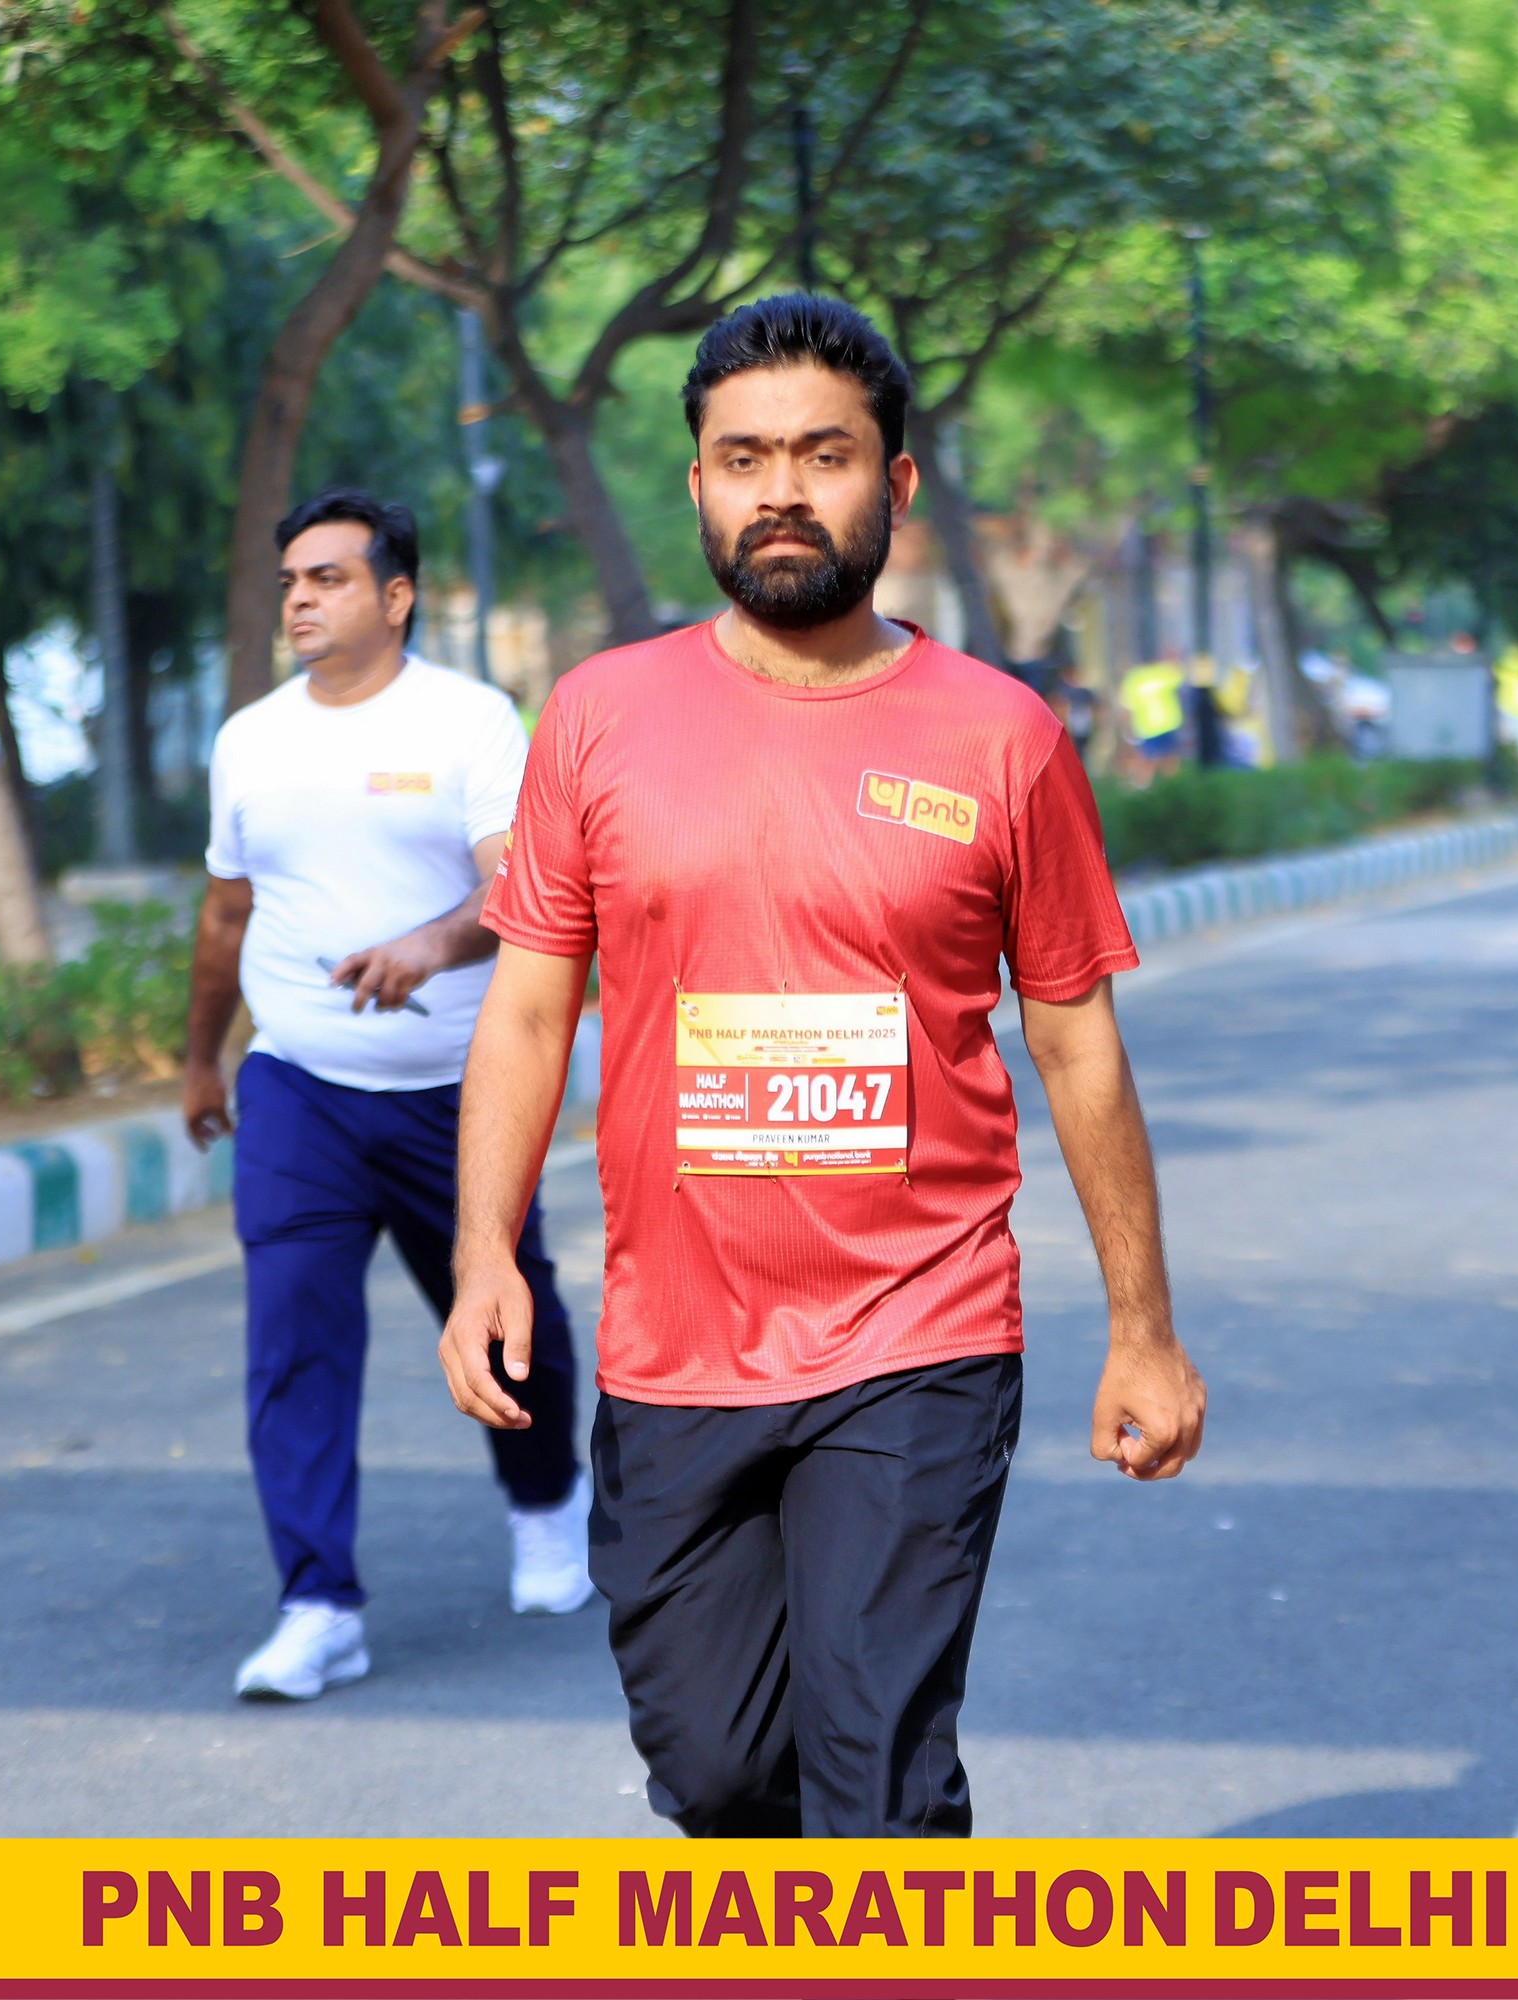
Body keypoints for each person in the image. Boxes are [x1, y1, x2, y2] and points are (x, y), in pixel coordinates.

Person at [448, 294, 1206, 1837]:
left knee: (880, 1782)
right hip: (673, 1344)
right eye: (744, 458)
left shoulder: (1002, 739)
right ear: (699, 484)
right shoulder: (598, 718)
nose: (781, 490)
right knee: (720, 1774)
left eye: (823, 454)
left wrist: (1144, 1329)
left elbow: (1075, 1041)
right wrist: (483, 1256)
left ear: (897, 483)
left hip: (920, 1329)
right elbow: (527, 1012)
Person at [181, 488, 590, 1703]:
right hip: (297, 1086)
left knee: (507, 1310)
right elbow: (226, 914)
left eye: (329, 578)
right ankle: (318, 1604)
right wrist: (201, 1056)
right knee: (294, 1341)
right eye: (291, 581)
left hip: (459, 1092)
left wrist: (429, 944)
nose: (300, 599)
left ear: (396, 595)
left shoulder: (470, 720)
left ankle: (545, 1502)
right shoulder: (250, 738)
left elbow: (521, 891)